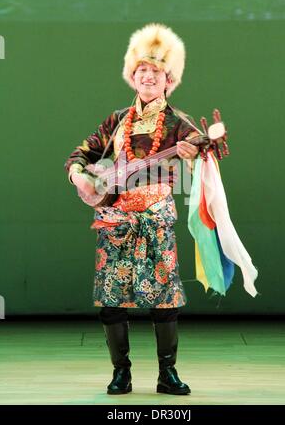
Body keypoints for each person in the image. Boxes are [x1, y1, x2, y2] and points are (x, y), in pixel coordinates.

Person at [64, 23, 208, 395]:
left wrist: (196, 153)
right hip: (115, 219)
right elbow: (82, 153)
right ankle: (121, 372)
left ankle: (167, 374)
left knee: (164, 300)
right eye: (141, 70)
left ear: (168, 80)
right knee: (111, 299)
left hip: (155, 218)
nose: (147, 75)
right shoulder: (117, 120)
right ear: (133, 77)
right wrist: (80, 176)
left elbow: (200, 151)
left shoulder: (179, 122)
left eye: (155, 71)